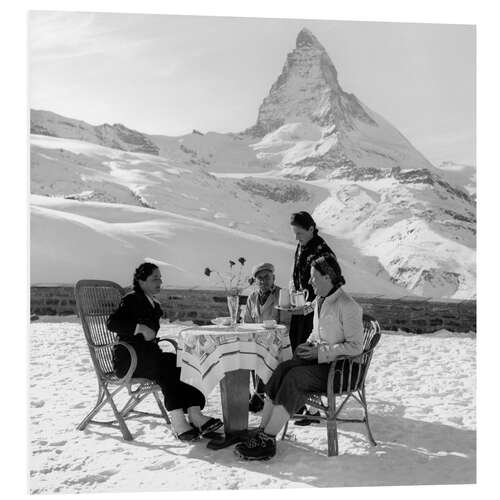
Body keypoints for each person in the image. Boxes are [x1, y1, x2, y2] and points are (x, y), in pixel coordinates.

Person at [234, 254, 364, 461]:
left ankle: (268, 439)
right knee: (283, 368)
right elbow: (318, 332)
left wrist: (320, 352)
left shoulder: (348, 306)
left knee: (295, 378)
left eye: (314, 277)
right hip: (322, 361)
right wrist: (310, 344)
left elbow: (356, 347)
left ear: (327, 277)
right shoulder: (321, 301)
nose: (310, 281)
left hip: (341, 370)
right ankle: (262, 429)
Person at [107, 262, 222, 442]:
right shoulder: (132, 299)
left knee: (183, 362)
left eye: (160, 278)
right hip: (129, 361)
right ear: (141, 281)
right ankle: (178, 422)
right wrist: (140, 328)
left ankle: (195, 414)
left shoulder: (153, 303)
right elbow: (112, 323)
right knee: (166, 367)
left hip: (148, 357)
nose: (160, 281)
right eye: (155, 278)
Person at [288, 211, 337, 424]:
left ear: (310, 228)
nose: (296, 237)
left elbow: (329, 286)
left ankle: (314, 409)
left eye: (299, 233)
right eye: (294, 233)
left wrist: (310, 306)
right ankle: (300, 403)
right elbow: (297, 275)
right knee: (296, 352)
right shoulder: (303, 246)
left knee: (309, 357)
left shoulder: (323, 252)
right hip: (302, 310)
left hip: (317, 313)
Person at [242, 262, 291, 412]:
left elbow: (286, 324)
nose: (263, 281)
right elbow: (247, 323)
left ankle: (259, 395)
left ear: (273, 277)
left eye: (266, 277)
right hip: (256, 341)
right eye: (259, 278)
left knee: (265, 353)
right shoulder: (252, 297)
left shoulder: (282, 294)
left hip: (278, 343)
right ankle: (249, 394)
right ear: (256, 281)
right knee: (240, 352)